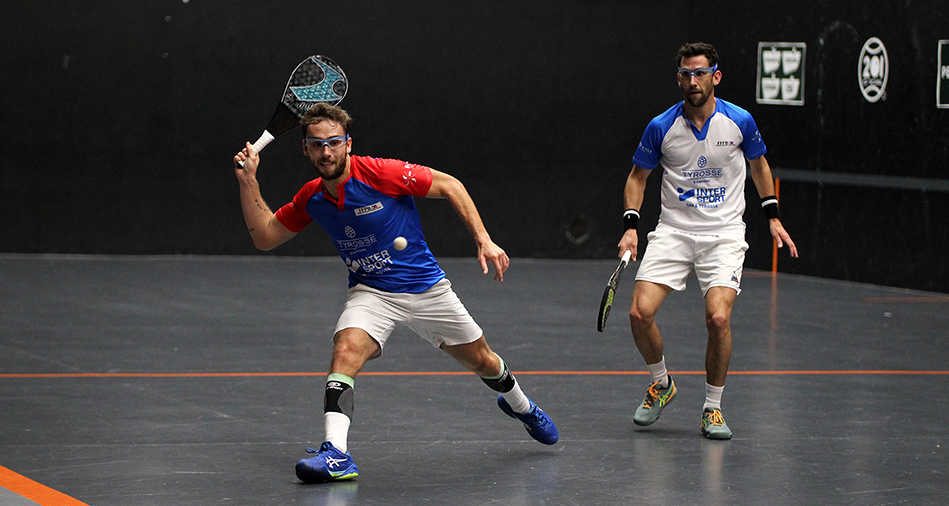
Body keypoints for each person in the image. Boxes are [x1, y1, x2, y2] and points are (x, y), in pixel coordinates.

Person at [233, 103, 558, 483]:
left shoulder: (381, 173)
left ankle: (520, 405)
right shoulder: (313, 198)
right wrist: (248, 182)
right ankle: (336, 453)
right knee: (345, 350)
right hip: (371, 293)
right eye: (317, 144)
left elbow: (450, 185)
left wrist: (484, 240)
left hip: (426, 290)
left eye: (334, 142)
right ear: (305, 149)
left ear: (348, 144)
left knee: (484, 361)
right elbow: (267, 236)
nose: (326, 152)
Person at [617, 42, 798, 440]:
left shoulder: (740, 121)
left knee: (718, 318)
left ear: (715, 76)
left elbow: (759, 165)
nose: (692, 80)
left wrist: (773, 216)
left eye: (700, 73)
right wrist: (631, 226)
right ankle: (662, 385)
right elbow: (637, 178)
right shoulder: (661, 127)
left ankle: (712, 408)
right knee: (638, 313)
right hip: (673, 231)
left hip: (724, 234)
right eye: (686, 73)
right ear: (678, 78)